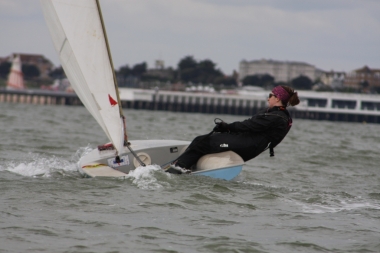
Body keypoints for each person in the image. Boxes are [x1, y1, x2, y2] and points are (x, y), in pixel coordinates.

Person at [167, 85, 300, 174]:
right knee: (200, 140)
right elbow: (251, 127)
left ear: (277, 98)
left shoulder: (276, 116)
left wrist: (227, 127)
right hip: (249, 143)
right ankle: (182, 166)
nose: (268, 98)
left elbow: (248, 125)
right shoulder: (278, 114)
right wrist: (227, 129)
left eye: (270, 95)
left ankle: (175, 171)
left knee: (203, 142)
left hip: (248, 145)